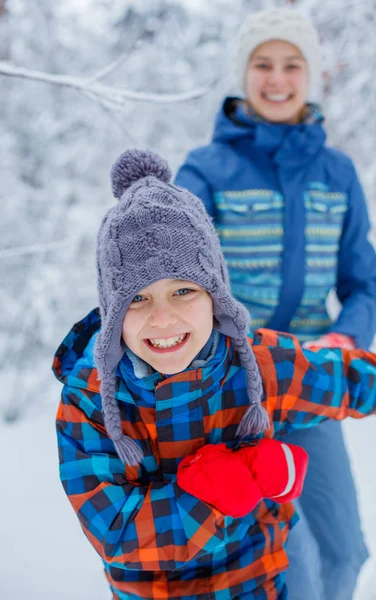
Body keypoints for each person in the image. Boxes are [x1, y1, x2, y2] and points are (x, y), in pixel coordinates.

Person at [54, 148, 376, 600]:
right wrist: (221, 491)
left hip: (259, 587)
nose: (162, 318)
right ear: (113, 312)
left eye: (183, 290)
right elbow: (114, 532)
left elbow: (347, 380)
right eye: (138, 299)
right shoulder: (90, 402)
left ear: (216, 296)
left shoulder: (258, 365)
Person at [174, 7, 376, 599]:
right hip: (239, 396)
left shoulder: (337, 173)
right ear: (245, 73)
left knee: (345, 553)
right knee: (295, 568)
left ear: (311, 76)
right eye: (263, 64)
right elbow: (181, 281)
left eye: (292, 64)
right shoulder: (205, 170)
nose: (277, 78)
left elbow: (363, 283)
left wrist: (349, 336)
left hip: (311, 385)